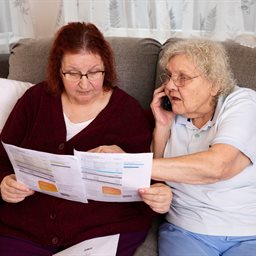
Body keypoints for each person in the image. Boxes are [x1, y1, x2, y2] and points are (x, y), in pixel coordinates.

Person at [0, 22, 172, 256]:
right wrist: (4, 183)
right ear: (57, 70)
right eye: (72, 73)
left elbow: (148, 184)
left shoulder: (127, 112)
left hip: (101, 232)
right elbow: (2, 157)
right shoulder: (35, 100)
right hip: (26, 229)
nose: (84, 83)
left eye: (93, 72)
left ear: (106, 68)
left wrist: (154, 194)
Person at [149, 38, 256, 255]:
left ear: (214, 84)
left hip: (247, 232)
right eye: (169, 76)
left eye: (183, 78)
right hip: (185, 230)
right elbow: (156, 180)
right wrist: (162, 126)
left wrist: (129, 166)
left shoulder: (242, 103)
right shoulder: (174, 113)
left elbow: (218, 166)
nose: (169, 86)